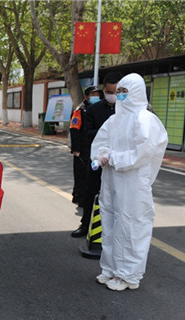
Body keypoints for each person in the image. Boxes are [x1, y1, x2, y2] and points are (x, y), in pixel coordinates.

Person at [91, 73, 168, 291]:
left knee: (131, 226)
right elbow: (101, 141)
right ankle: (110, 269)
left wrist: (114, 158)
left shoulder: (144, 119)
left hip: (133, 182)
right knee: (110, 223)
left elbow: (143, 152)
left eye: (126, 92)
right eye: (119, 92)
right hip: (112, 179)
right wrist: (101, 156)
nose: (121, 96)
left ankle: (129, 275)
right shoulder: (114, 119)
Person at [71, 72, 122, 238]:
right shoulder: (93, 110)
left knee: (118, 196)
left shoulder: (126, 109)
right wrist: (107, 134)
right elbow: (87, 132)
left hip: (119, 161)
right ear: (104, 90)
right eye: (109, 92)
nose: (112, 96)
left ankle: (116, 231)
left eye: (116, 92)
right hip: (98, 159)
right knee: (90, 191)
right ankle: (85, 225)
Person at [69, 85, 101, 205]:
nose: (96, 97)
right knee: (81, 174)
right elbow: (74, 129)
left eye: (97, 94)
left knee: (91, 174)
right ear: (86, 96)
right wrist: (76, 149)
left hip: (94, 146)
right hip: (82, 147)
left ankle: (85, 196)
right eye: (93, 95)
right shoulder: (80, 110)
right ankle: (80, 197)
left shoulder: (98, 108)